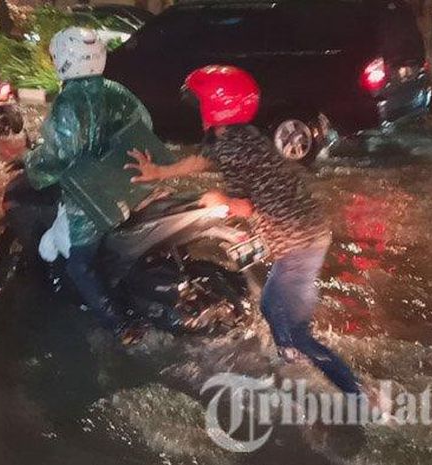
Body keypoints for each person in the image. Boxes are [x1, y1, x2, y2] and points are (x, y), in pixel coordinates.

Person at [126, 65, 362, 394]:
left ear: (215, 107)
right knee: (271, 307)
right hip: (305, 235)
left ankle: (354, 392)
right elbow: (201, 161)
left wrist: (216, 197)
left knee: (294, 333)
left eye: (199, 103)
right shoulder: (237, 135)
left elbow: (243, 206)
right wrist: (159, 172)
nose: (197, 111)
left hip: (298, 243)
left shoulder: (233, 146)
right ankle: (293, 363)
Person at [10, 27, 152, 336]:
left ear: (64, 58)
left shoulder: (68, 103)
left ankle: (120, 325)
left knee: (78, 264)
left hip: (91, 194)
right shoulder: (117, 91)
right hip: (130, 184)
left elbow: (56, 159)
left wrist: (32, 165)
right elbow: (145, 126)